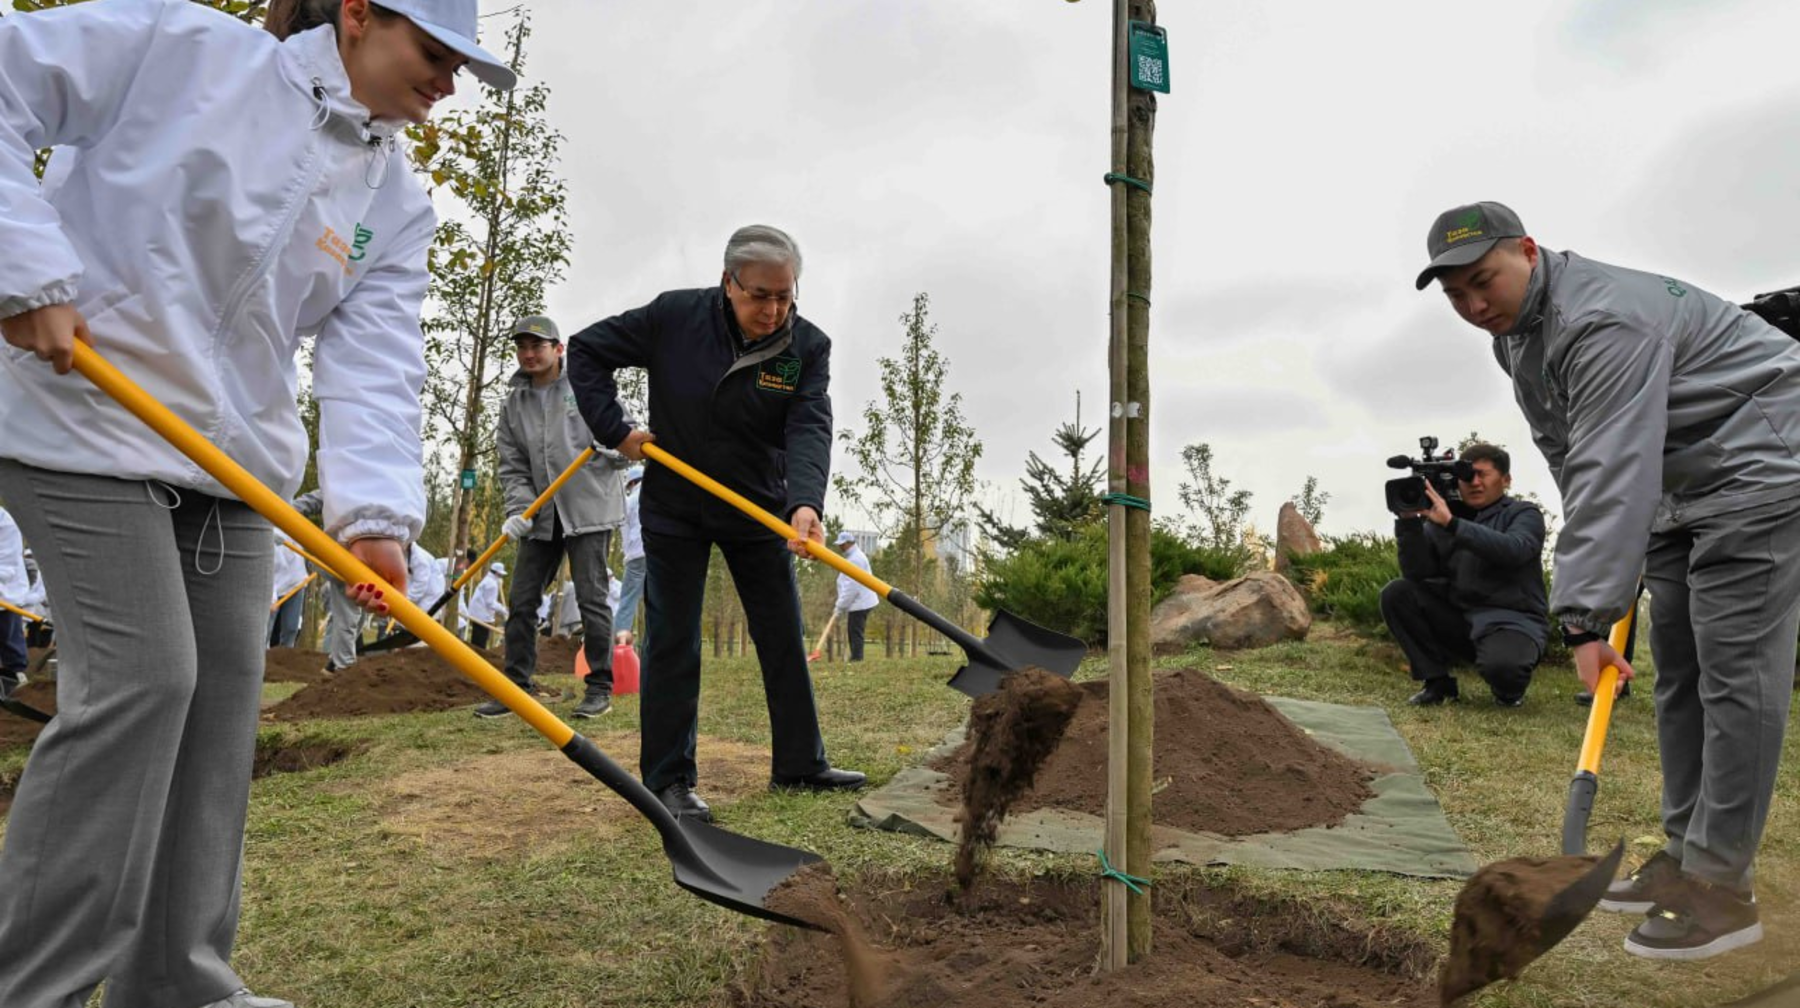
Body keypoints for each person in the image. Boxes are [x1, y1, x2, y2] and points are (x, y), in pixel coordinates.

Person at [0, 1, 515, 1005]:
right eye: (434, 52)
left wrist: (374, 519)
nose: (449, 82)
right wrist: (24, 271)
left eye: (463, 66)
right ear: (358, 14)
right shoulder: (184, 50)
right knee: (147, 680)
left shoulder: (394, 201)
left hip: (231, 463)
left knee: (221, 705)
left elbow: (376, 363)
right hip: (83, 416)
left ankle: (178, 983)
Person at [1416, 201, 1800, 961]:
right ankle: (1685, 855)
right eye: (1456, 295)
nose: (1474, 306)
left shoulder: (1601, 322)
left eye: (1484, 281)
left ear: (1529, 251)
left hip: (1760, 463)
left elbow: (1610, 461)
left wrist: (1585, 619)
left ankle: (1723, 888)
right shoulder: (1518, 338)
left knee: (1734, 673)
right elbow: (1569, 454)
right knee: (1679, 670)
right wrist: (1615, 568)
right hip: (1676, 484)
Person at [567, 224, 865, 823]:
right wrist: (616, 430)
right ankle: (669, 781)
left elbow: (809, 424)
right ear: (728, 283)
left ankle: (800, 763)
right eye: (760, 295)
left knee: (781, 632)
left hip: (758, 504)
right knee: (673, 638)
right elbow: (586, 349)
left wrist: (805, 503)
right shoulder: (674, 318)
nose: (773, 310)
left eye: (785, 296)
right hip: (676, 504)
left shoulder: (807, 347)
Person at [479, 314, 629, 721]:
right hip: (541, 514)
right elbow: (512, 465)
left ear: (558, 349)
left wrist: (613, 445)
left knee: (591, 597)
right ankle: (516, 688)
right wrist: (518, 510)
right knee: (523, 599)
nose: (529, 354)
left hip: (588, 508)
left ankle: (599, 687)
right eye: (522, 347)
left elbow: (626, 437)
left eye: (537, 346)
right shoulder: (514, 404)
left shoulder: (586, 384)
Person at [1378, 443, 1548, 708]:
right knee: (1397, 593)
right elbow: (1417, 574)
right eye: (1467, 476)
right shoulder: (1443, 518)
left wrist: (1453, 524)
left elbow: (1514, 550)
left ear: (1506, 480)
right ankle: (1438, 682)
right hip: (1462, 620)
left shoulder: (1523, 513)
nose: (1474, 482)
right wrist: (1409, 524)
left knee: (1504, 671)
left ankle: (1509, 690)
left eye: (1483, 475)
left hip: (1512, 621)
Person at [831, 530, 879, 662]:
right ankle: (856, 658)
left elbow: (851, 587)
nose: (840, 547)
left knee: (855, 631)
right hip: (858, 600)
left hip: (860, 602)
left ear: (848, 543)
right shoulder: (853, 556)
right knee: (853, 630)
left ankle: (857, 659)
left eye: (842, 544)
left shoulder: (856, 559)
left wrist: (840, 606)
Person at [0, 505, 30, 699]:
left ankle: (17, 686)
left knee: (8, 640)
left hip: (5, 593)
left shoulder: (4, 521)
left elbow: (7, 565)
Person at [615, 464, 646, 636]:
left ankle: (617, 645)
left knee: (627, 600)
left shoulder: (629, 501)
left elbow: (624, 530)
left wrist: (628, 554)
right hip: (657, 553)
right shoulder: (655, 495)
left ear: (632, 483)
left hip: (636, 555)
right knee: (655, 601)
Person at [267, 531, 310, 649]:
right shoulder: (268, 532)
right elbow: (267, 568)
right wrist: (272, 597)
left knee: (291, 628)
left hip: (295, 583)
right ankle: (261, 655)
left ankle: (287, 653)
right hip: (271, 584)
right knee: (266, 629)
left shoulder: (293, 527)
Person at [466, 560, 506, 650]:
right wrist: (503, 610)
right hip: (482, 617)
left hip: (477, 614)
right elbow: (490, 603)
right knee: (480, 642)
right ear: (497, 573)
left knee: (476, 640)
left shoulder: (487, 580)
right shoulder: (492, 584)